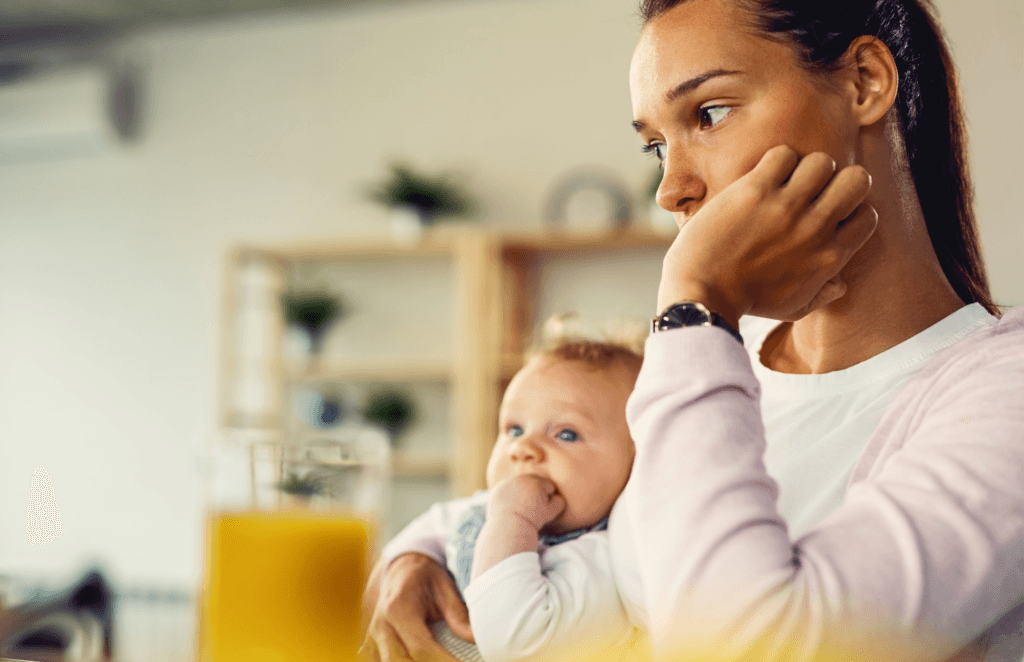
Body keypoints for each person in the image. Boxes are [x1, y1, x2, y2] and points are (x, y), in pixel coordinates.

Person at [362, 0, 1024, 660]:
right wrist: (416, 558)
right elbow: (554, 498)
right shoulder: (713, 357)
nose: (670, 187)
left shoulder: (1000, 390)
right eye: (656, 145)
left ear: (864, 82)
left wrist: (695, 303)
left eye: (709, 113)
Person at [361, 339, 645, 662]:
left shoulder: (602, 562)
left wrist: (513, 522)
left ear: (638, 461)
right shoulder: (484, 509)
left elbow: (514, 641)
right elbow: (421, 534)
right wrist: (410, 553)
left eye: (566, 434)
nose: (523, 448)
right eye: (514, 428)